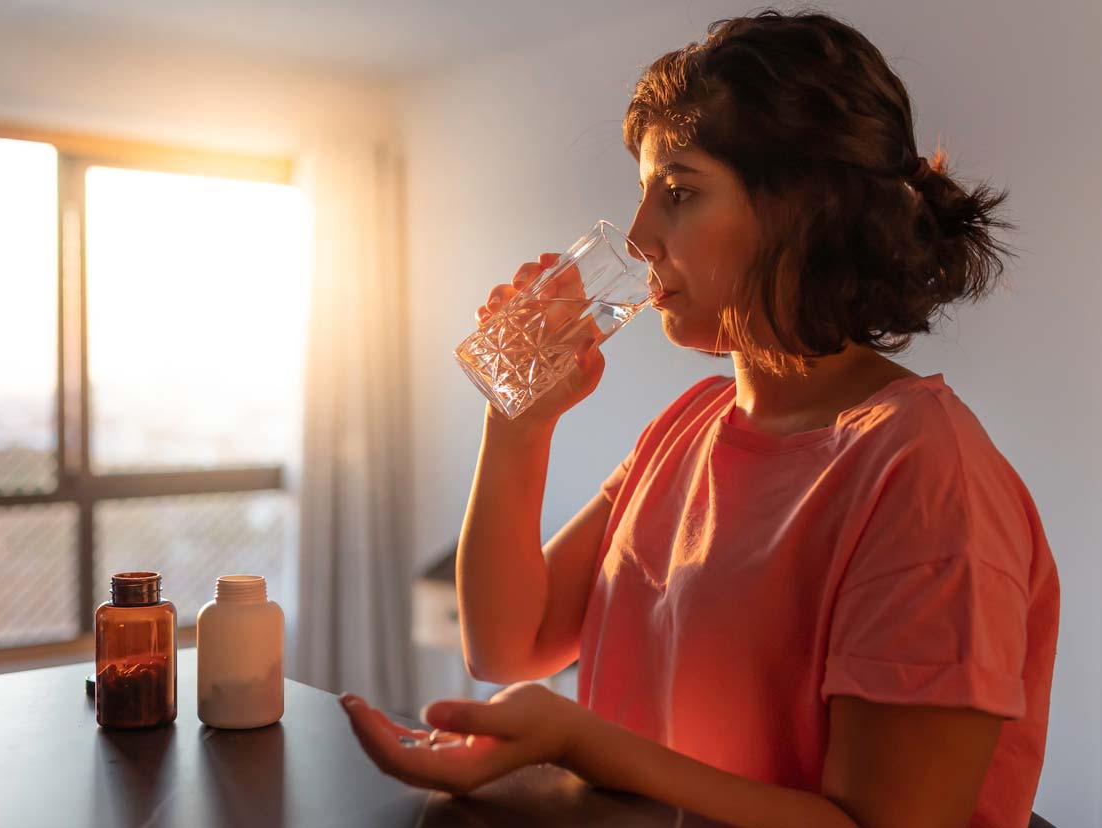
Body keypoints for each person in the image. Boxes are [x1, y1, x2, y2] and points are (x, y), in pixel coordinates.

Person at [339, 10, 1059, 827]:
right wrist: (518, 421)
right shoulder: (690, 425)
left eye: (678, 192)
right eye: (644, 195)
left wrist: (580, 742)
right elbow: (506, 644)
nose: (640, 235)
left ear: (806, 209)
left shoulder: (925, 475)